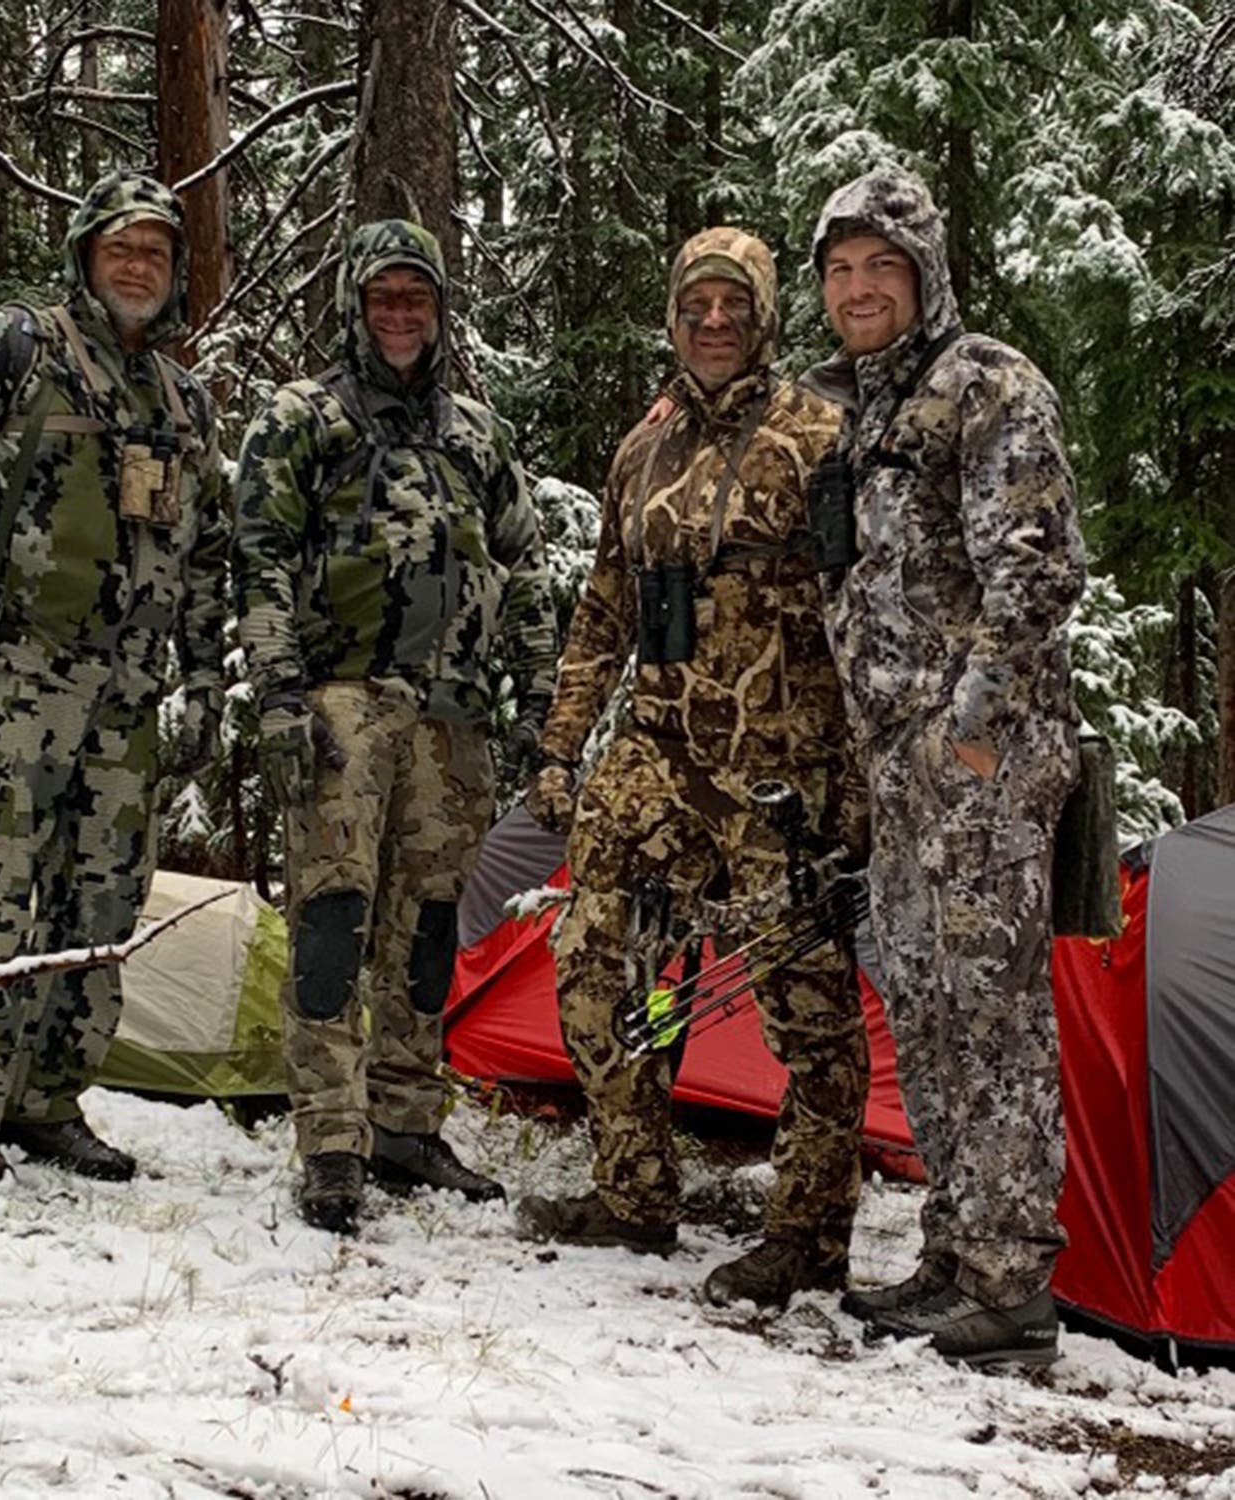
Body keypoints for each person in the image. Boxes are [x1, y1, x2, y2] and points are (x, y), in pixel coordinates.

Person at [517, 228, 870, 1306]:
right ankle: (635, 1193)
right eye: (694, 306)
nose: (713, 323)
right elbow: (605, 605)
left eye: (734, 305)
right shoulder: (645, 446)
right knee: (592, 960)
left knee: (803, 1006)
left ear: (764, 316)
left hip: (783, 764)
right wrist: (563, 742)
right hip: (657, 755)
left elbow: (874, 615)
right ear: (672, 319)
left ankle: (808, 1233)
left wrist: (861, 775)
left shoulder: (824, 436)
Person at [0, 170, 228, 1185]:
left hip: (125, 697)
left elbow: (211, 549)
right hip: (9, 678)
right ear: (85, 253)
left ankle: (48, 1101)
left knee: (100, 906)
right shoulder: (15, 347)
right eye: (121, 247)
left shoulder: (181, 398)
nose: (139, 267)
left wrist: (207, 678)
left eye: (157, 254)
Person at [232, 219, 559, 1235]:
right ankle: (332, 1136)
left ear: (440, 309)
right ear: (355, 307)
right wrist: (280, 693)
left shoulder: (475, 433)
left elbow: (527, 566)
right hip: (340, 702)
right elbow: (261, 557)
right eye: (383, 297)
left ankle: (407, 1120)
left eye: (417, 296)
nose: (401, 313)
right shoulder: (302, 419)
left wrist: (546, 707)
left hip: (451, 716)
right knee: (333, 921)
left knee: (426, 932)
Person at [810, 169, 1086, 1365]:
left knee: (993, 1010)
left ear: (925, 274)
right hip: (899, 764)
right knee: (922, 1005)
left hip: (982, 762)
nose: (860, 289)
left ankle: (1016, 1280)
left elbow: (1034, 573)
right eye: (840, 270)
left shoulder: (985, 383)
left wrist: (968, 729)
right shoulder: (859, 406)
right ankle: (955, 1251)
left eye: (883, 267)